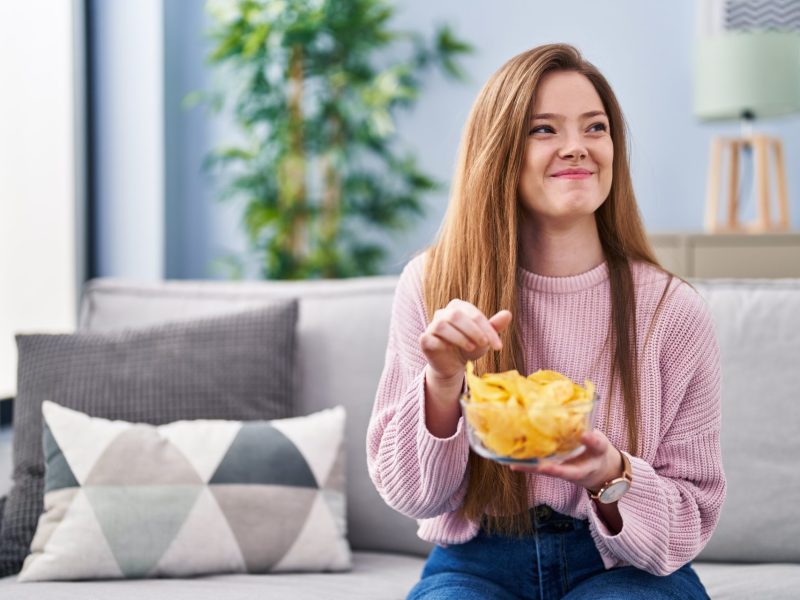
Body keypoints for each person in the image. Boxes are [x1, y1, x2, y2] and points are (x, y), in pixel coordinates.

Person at [366, 43, 726, 599]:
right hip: (476, 560)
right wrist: (441, 384)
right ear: (500, 150)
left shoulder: (672, 312)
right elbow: (414, 497)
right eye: (544, 130)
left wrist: (612, 475)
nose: (577, 148)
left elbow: (691, 517)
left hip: (620, 565)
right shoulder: (433, 285)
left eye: (595, 128)